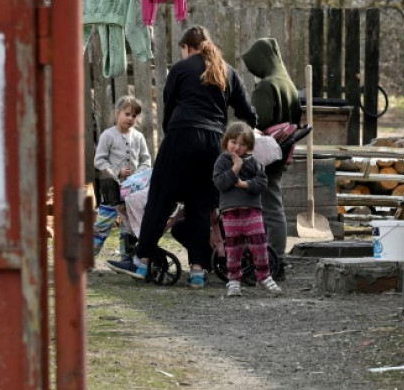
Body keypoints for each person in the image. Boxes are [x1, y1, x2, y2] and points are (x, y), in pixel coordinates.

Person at [109, 25, 257, 288]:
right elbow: (247, 112)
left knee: (160, 199)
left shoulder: (181, 68)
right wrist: (244, 138)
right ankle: (198, 271)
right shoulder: (228, 71)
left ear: (187, 48)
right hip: (213, 142)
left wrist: (173, 136)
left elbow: (169, 106)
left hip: (182, 136)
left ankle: (142, 262)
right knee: (200, 205)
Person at [241, 38, 310, 280]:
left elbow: (258, 122)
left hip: (265, 153)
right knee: (273, 203)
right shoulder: (288, 85)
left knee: (269, 206)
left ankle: (275, 258)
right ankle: (272, 256)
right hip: (282, 151)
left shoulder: (266, 87)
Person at [212, 122, 282, 297]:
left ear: (249, 147)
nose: (237, 147)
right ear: (226, 141)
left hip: (252, 212)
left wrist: (245, 184)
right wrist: (235, 168)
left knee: (259, 245)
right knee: (234, 249)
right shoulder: (222, 161)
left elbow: (262, 182)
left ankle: (264, 276)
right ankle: (234, 280)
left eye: (242, 144)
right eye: (233, 142)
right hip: (230, 214)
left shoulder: (253, 162)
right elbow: (220, 182)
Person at [92, 96, 152, 263]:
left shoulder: (138, 137)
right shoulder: (108, 135)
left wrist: (138, 175)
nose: (131, 118)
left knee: (129, 225)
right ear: (117, 113)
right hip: (112, 189)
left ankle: (127, 259)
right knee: (103, 224)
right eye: (127, 114)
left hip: (132, 190)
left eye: (134, 116)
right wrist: (117, 171)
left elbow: (146, 160)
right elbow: (99, 160)